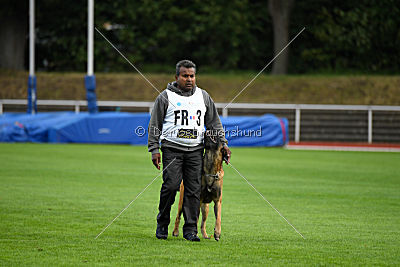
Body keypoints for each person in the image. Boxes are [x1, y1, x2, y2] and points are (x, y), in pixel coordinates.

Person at [148, 60, 231, 241]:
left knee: (193, 190)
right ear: (176, 77)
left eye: (192, 76)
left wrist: (223, 143)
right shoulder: (165, 96)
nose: (189, 79)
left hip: (195, 150)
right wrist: (154, 149)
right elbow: (155, 125)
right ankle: (162, 223)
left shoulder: (203, 96)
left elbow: (214, 123)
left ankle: (190, 230)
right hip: (171, 149)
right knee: (170, 186)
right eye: (185, 75)